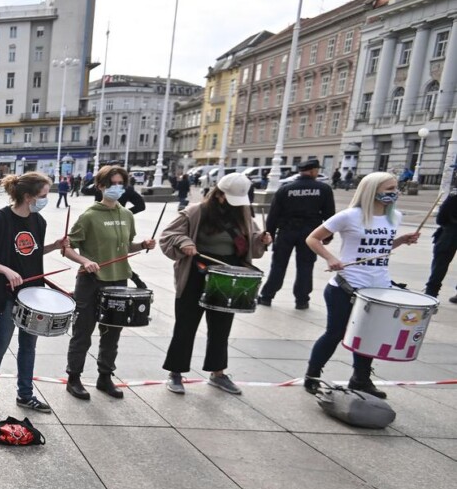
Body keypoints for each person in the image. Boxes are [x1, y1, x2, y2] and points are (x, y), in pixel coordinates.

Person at [303, 171, 421, 398]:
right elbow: (312, 238)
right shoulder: (349, 216)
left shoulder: (394, 216)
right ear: (372, 191)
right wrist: (330, 258)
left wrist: (400, 241)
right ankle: (312, 375)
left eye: (396, 188)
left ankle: (361, 378)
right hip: (346, 286)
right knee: (335, 333)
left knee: (369, 335)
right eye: (389, 189)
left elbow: (377, 249)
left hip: (378, 287)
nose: (395, 193)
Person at [159, 174, 271, 395]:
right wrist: (185, 242)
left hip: (228, 272)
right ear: (219, 194)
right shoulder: (196, 211)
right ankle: (175, 372)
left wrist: (261, 240)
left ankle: (218, 373)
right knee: (186, 325)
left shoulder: (243, 214)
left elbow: (252, 238)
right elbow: (170, 235)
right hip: (196, 271)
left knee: (221, 326)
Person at [0, 173, 67, 415]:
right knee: (0, 344)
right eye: (43, 196)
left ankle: (25, 395)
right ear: (28, 196)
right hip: (4, 293)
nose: (46, 200)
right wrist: (5, 270)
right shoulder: (2, 219)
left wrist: (54, 246)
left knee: (28, 346)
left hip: (31, 294)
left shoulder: (39, 221)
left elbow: (30, 252)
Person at [62, 165, 156, 400]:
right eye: (112, 184)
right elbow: (67, 247)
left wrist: (142, 245)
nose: (117, 188)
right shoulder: (89, 216)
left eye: (120, 184)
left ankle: (105, 376)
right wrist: (85, 260)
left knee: (112, 332)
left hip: (118, 281)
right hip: (91, 281)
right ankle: (74, 377)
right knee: (83, 332)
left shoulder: (127, 215)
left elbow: (126, 248)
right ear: (101, 186)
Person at [257, 158, 336, 310]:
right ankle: (302, 300)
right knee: (305, 266)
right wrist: (327, 236)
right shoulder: (323, 189)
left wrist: (269, 234)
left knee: (278, 265)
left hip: (286, 231)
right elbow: (329, 215)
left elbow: (273, 214)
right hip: (310, 233)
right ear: (313, 171)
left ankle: (267, 296)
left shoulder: (286, 188)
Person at [424, 189, 457, 302]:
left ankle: (431, 293)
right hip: (451, 231)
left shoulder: (454, 194)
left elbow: (441, 217)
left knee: (440, 264)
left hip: (451, 232)